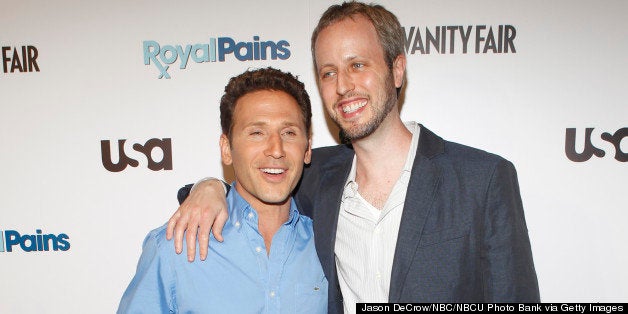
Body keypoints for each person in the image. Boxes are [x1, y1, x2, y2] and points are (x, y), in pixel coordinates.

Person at [168, 2, 540, 313]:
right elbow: (251, 181)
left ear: (396, 69)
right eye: (329, 72)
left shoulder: (483, 179)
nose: (343, 85)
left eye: (357, 65)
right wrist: (209, 187)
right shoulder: (313, 174)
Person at [118, 68, 327, 313]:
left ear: (307, 148)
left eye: (289, 133)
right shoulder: (174, 248)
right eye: (257, 133)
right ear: (226, 148)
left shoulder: (328, 245)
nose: (276, 149)